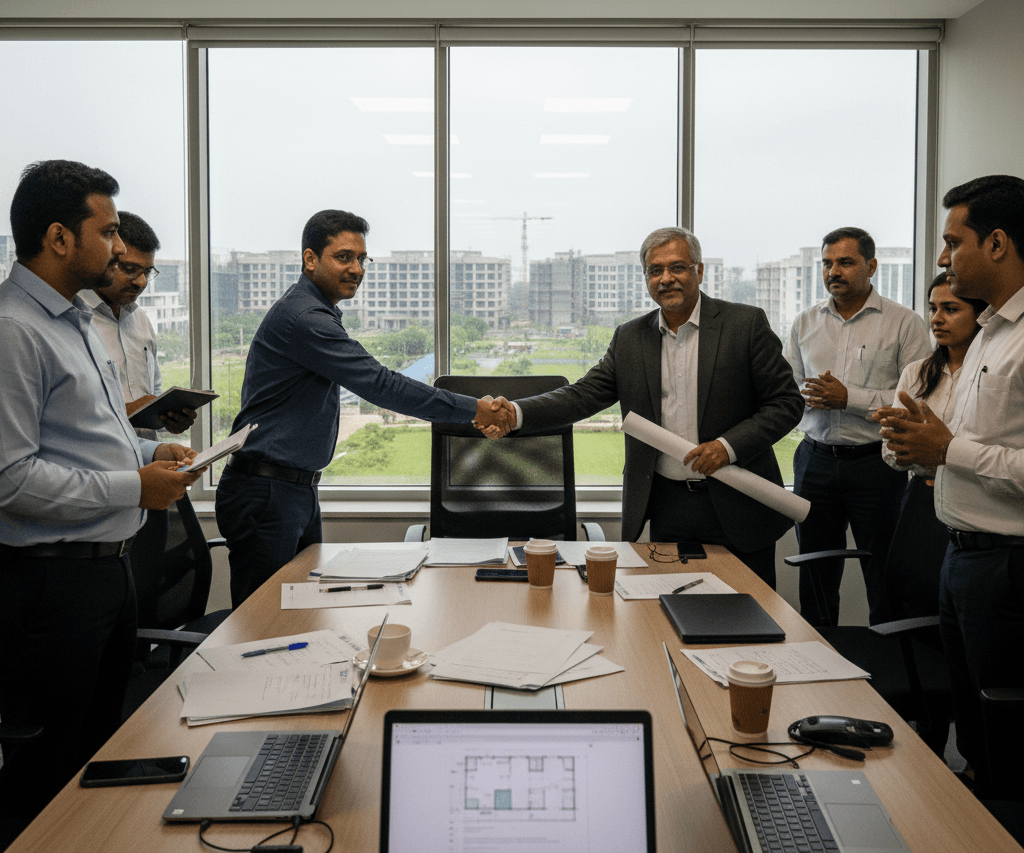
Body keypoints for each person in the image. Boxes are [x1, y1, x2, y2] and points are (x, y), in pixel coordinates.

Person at [0, 160, 203, 825]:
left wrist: (151, 453)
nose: (120, 249)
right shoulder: (13, 331)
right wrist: (132, 485)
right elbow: (10, 478)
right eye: (108, 231)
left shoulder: (79, 322)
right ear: (59, 237)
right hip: (49, 585)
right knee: (49, 774)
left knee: (100, 759)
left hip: (107, 575)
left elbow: (92, 437)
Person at [214, 209, 509, 608]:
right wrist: (474, 409)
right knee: (263, 626)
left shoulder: (314, 311)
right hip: (268, 492)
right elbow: (381, 384)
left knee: (299, 619)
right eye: (343, 257)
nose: (356, 268)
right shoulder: (306, 319)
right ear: (310, 259)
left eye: (361, 259)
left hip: (290, 488)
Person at [482, 226, 803, 587]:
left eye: (678, 267)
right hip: (666, 506)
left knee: (749, 621)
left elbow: (787, 403)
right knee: (668, 613)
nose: (666, 278)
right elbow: (582, 395)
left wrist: (727, 447)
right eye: (655, 270)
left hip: (738, 503)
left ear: (699, 271)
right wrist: (517, 413)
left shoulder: (744, 325)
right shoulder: (630, 337)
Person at [879, 175, 1024, 798]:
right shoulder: (991, 333)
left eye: (951, 241)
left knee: (1010, 740)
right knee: (976, 736)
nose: (942, 257)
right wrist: (922, 443)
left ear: (996, 244)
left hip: (1008, 568)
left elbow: (962, 447)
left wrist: (947, 448)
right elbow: (962, 439)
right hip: (960, 553)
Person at [784, 227, 930, 627]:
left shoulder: (905, 323)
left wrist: (851, 398)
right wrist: (804, 395)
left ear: (871, 266)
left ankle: (890, 675)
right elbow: (787, 389)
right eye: (828, 263)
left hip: (878, 465)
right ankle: (816, 662)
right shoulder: (804, 322)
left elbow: (917, 402)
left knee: (884, 574)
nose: (834, 271)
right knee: (814, 573)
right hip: (814, 461)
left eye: (845, 262)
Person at [877, 272, 986, 521]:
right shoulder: (916, 372)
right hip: (922, 494)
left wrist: (946, 461)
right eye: (932, 309)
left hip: (974, 499)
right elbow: (890, 453)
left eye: (950, 309)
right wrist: (900, 442)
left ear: (981, 315)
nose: (936, 319)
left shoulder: (990, 373)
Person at [83, 210, 195, 440]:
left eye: (147, 272)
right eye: (131, 269)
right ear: (107, 256)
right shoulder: (74, 319)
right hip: (98, 470)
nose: (141, 282)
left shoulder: (141, 321)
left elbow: (152, 393)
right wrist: (129, 410)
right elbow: (66, 416)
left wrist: (168, 419)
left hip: (145, 463)